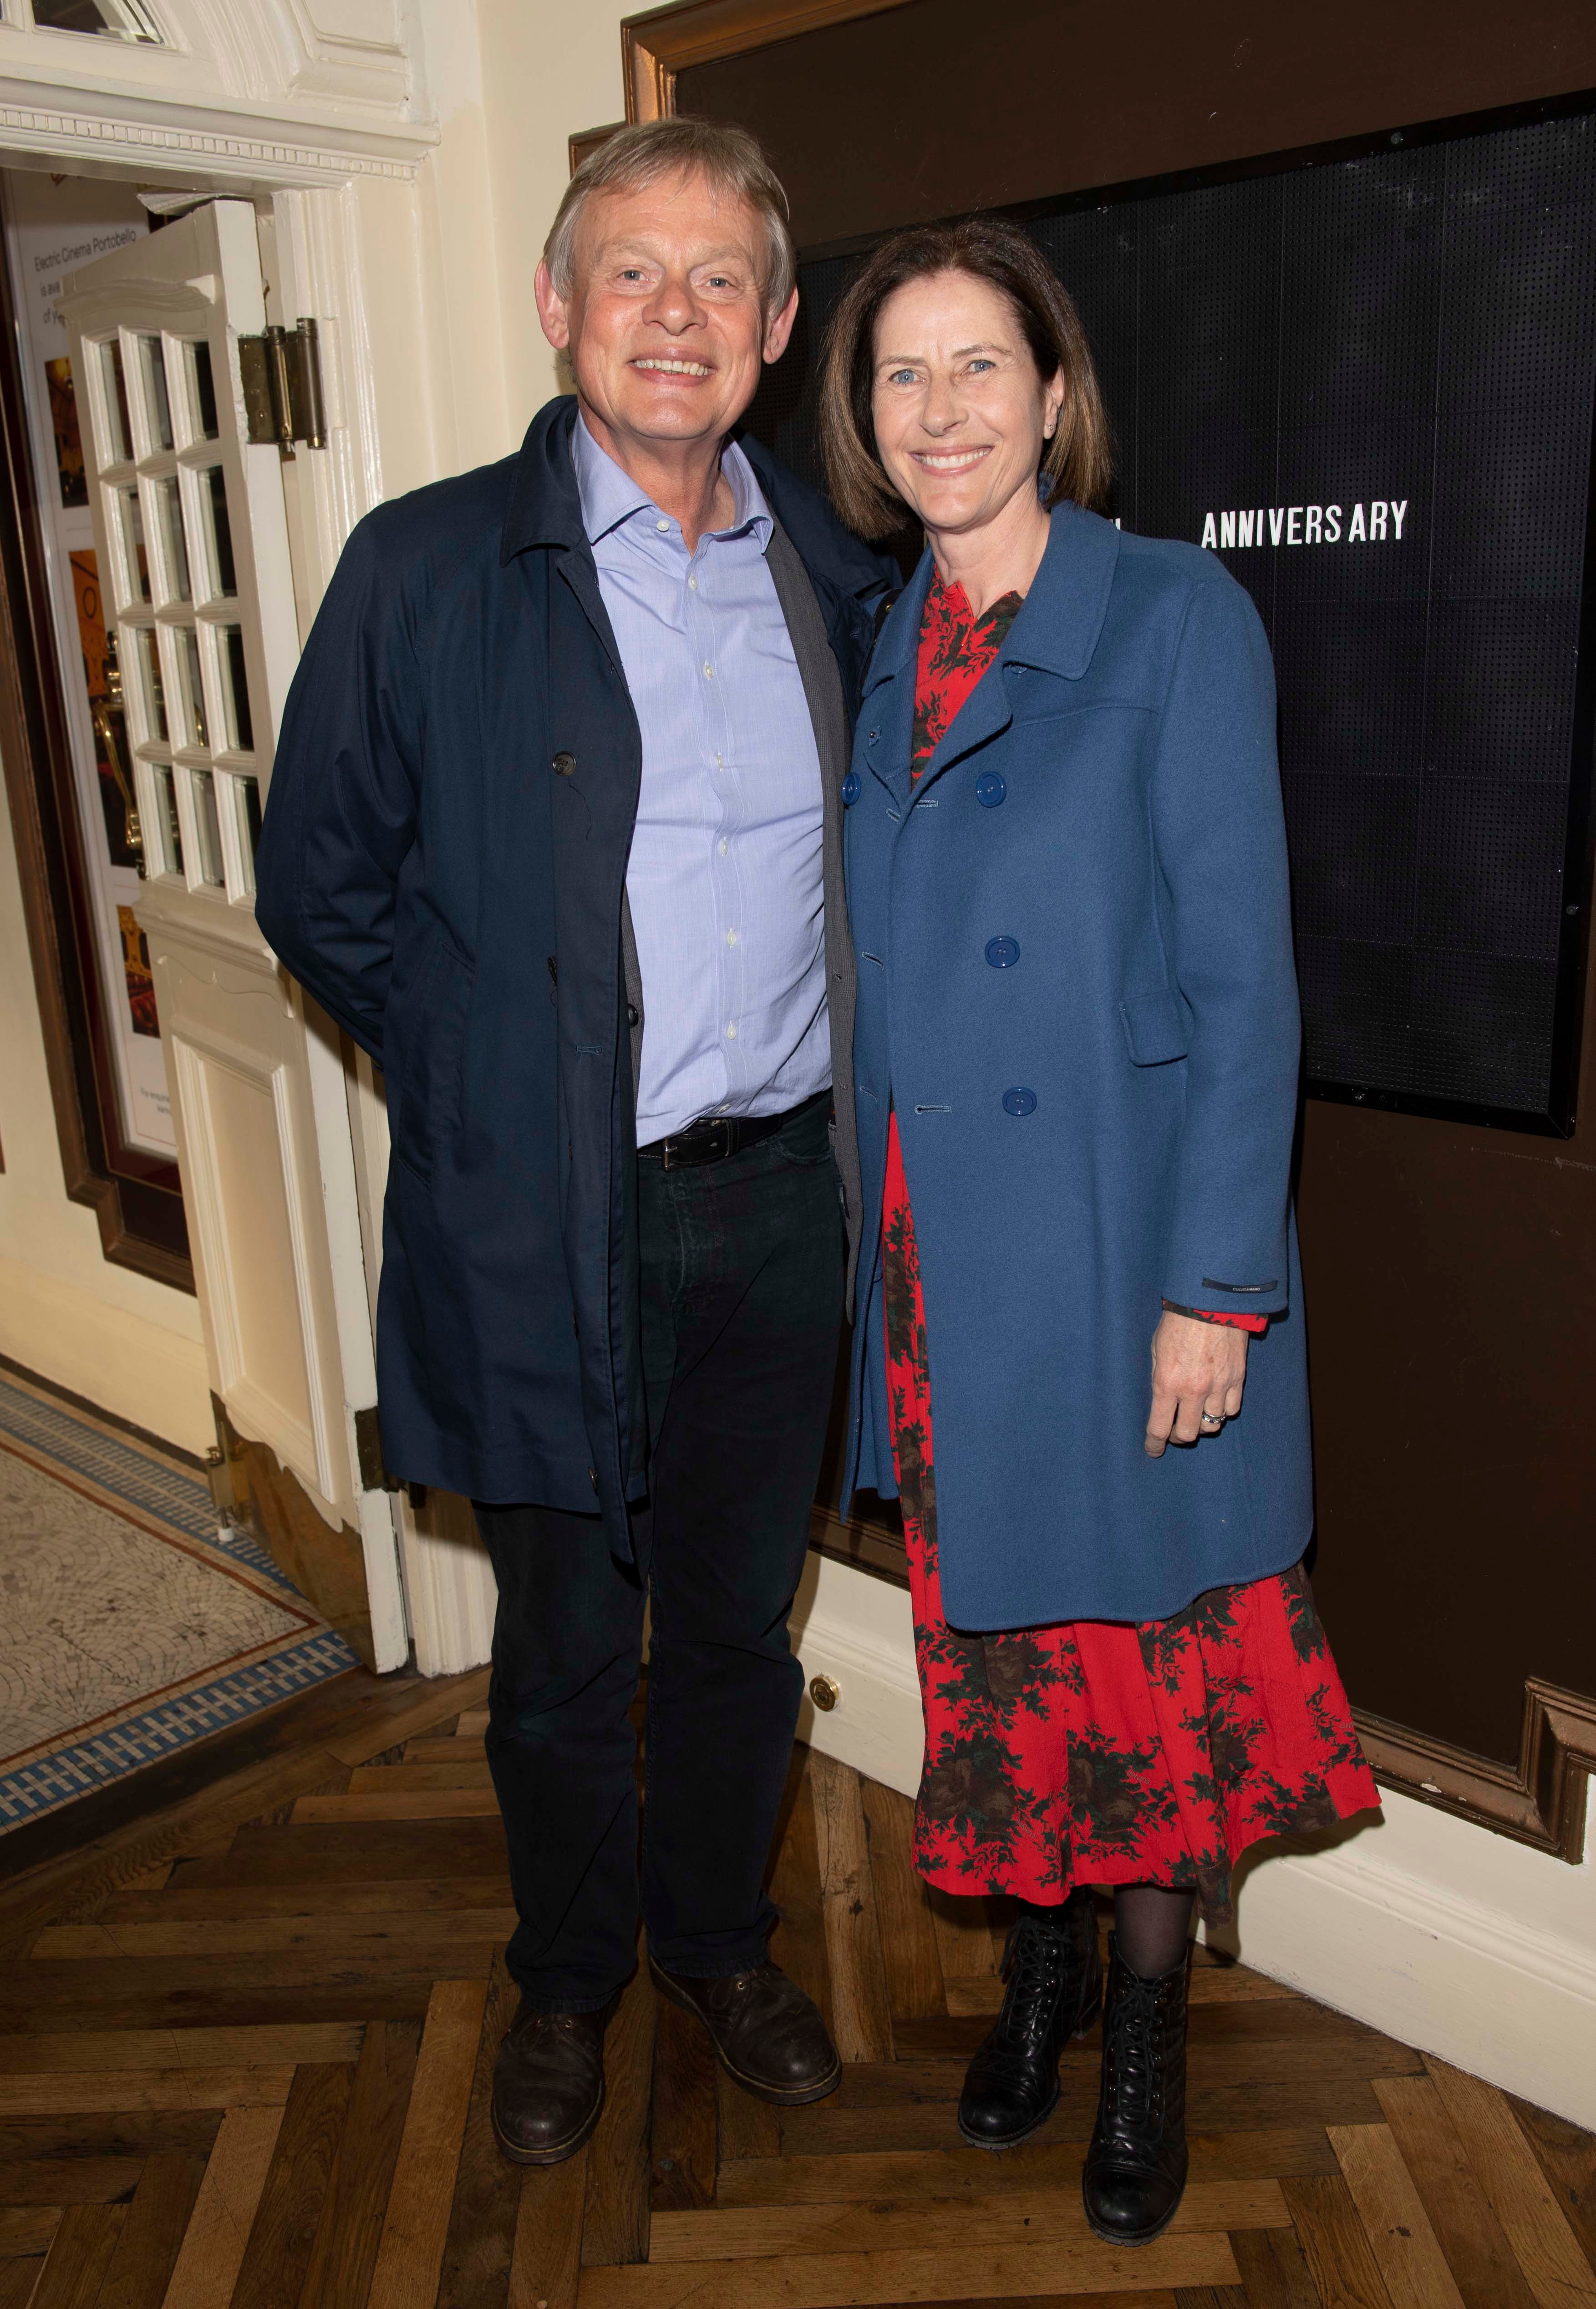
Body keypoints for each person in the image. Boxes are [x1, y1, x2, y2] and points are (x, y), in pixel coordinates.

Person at [255, 119, 895, 2168]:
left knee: (730, 1625)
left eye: (722, 280)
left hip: (781, 1205)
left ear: (780, 328)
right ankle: (564, 1981)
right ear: (559, 307)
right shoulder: (429, 563)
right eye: (634, 272)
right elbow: (321, 884)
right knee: (556, 1647)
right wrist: (484, 1071)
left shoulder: (838, 570)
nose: (675, 316)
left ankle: (720, 1940)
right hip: (552, 1216)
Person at [818, 219, 1378, 2248]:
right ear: (866, 419)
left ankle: (1139, 2016)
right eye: (902, 375)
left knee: (1142, 1677)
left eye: (980, 366)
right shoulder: (895, 634)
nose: (941, 407)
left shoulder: (1168, 613)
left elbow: (1249, 981)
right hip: (941, 1263)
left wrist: (1214, 1285)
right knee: (1006, 1655)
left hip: (1113, 1249)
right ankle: (1035, 1967)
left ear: (1055, 393)